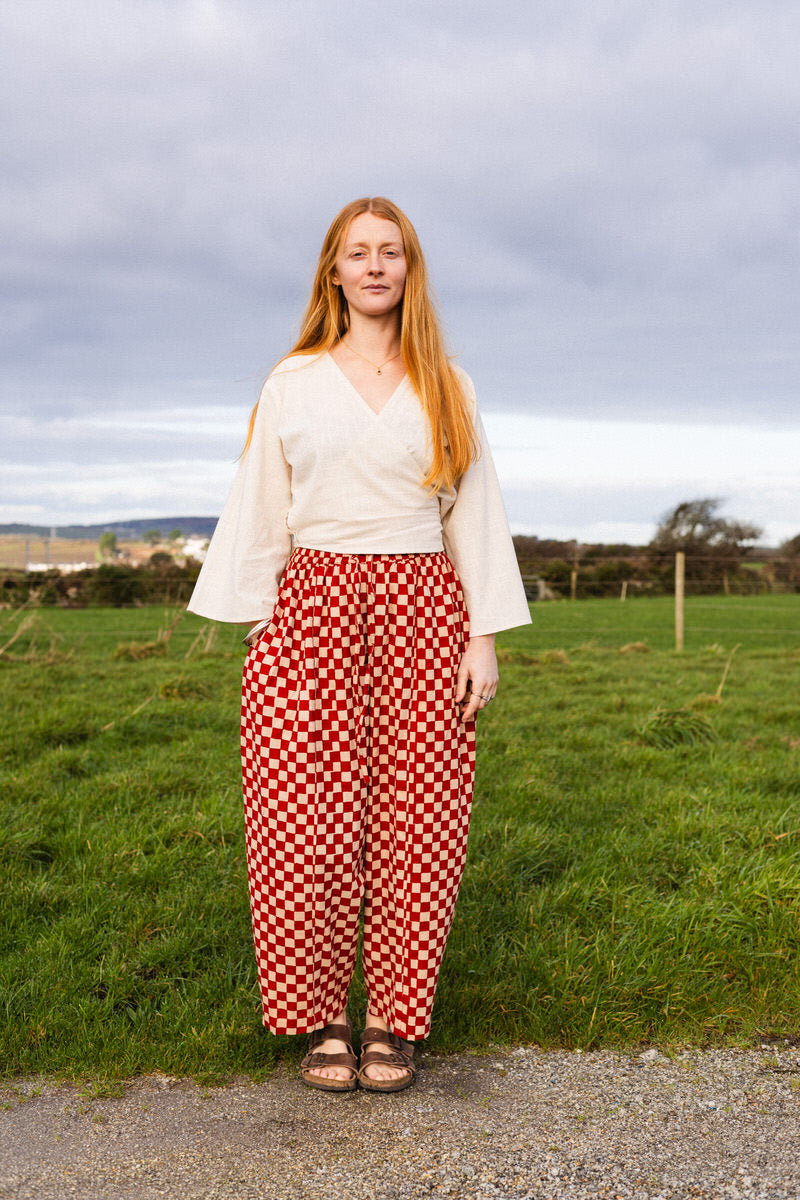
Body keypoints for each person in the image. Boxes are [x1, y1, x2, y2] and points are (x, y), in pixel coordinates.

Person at [187, 196, 531, 1094]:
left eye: (392, 252)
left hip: (425, 606)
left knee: (420, 824)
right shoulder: (292, 382)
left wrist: (482, 640)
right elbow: (262, 505)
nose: (375, 266)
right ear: (333, 272)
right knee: (303, 823)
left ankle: (391, 1022)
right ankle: (319, 1021)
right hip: (313, 610)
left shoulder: (447, 382)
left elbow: (477, 514)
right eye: (357, 253)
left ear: (410, 270)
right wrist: (268, 630)